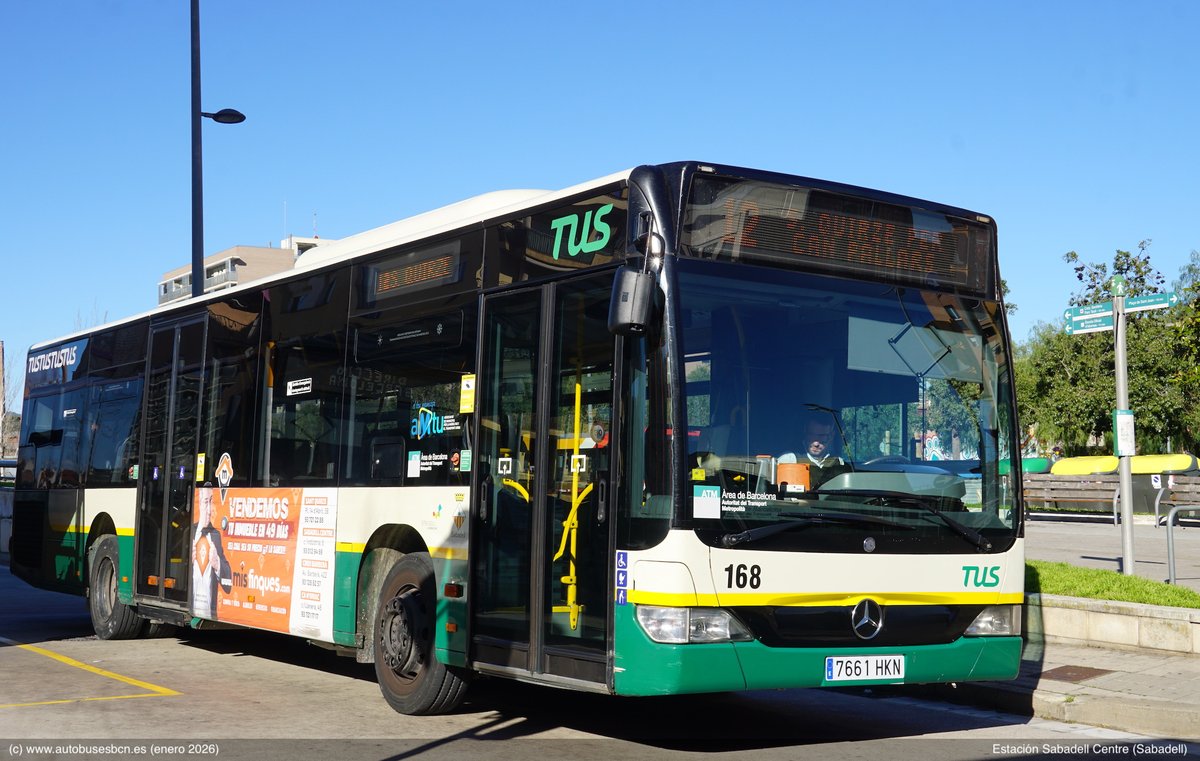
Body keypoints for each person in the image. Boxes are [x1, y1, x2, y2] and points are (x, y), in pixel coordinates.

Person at [191, 483, 232, 620]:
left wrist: (217, 563)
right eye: (205, 502)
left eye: (211, 501)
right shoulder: (189, 533)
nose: (209, 509)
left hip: (209, 613)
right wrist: (188, 563)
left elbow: (228, 585)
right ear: (199, 504)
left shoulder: (215, 535)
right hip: (189, 606)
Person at [779, 418, 847, 488]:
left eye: (822, 436)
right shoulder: (789, 459)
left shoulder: (839, 462)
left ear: (831, 436)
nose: (816, 443)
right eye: (812, 435)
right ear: (805, 433)